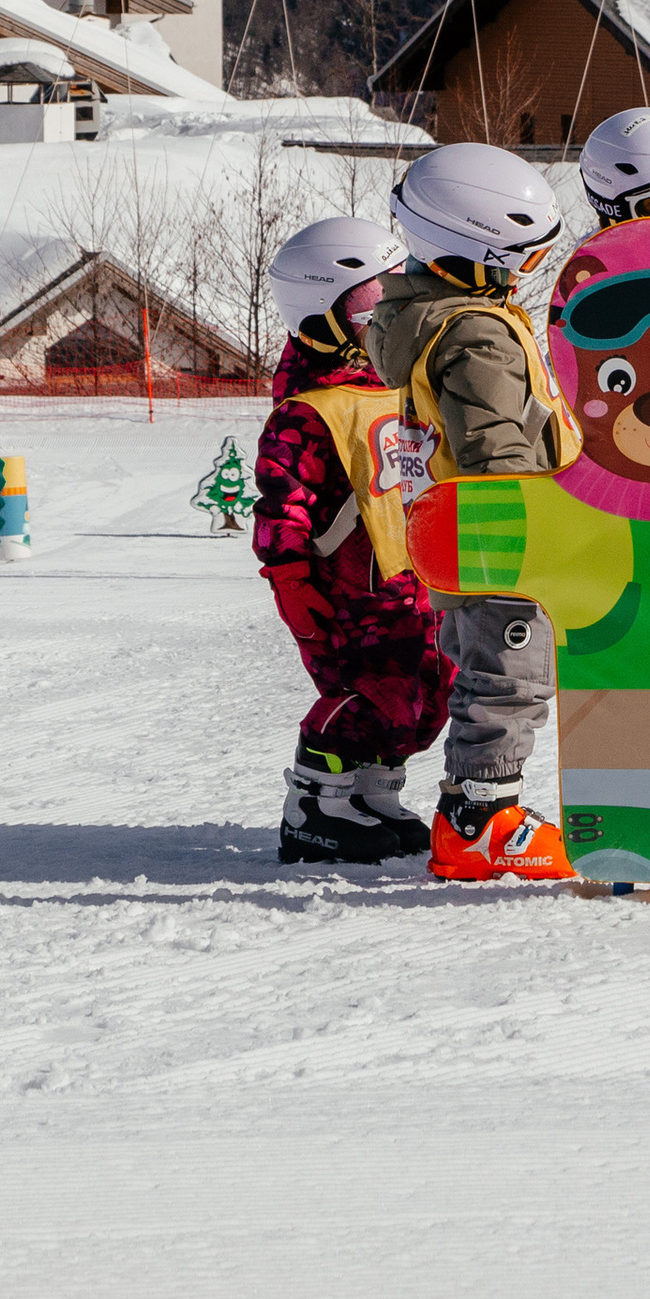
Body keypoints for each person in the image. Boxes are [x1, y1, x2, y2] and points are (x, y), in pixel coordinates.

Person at [368, 142, 584, 883]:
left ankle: (480, 808)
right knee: (508, 678)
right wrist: (537, 532)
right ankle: (478, 821)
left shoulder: (420, 317)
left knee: (489, 670)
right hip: (501, 538)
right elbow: (496, 448)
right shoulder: (477, 332)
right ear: (473, 255)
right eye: (522, 261)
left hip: (457, 537)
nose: (527, 277)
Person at [256, 218, 451, 864]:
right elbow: (282, 505)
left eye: (392, 296)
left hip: (408, 580)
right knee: (371, 697)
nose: (384, 315)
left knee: (427, 691)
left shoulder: (396, 385)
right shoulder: (307, 412)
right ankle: (315, 804)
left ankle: (371, 793)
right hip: (344, 594)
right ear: (321, 314)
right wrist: (290, 579)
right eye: (369, 303)